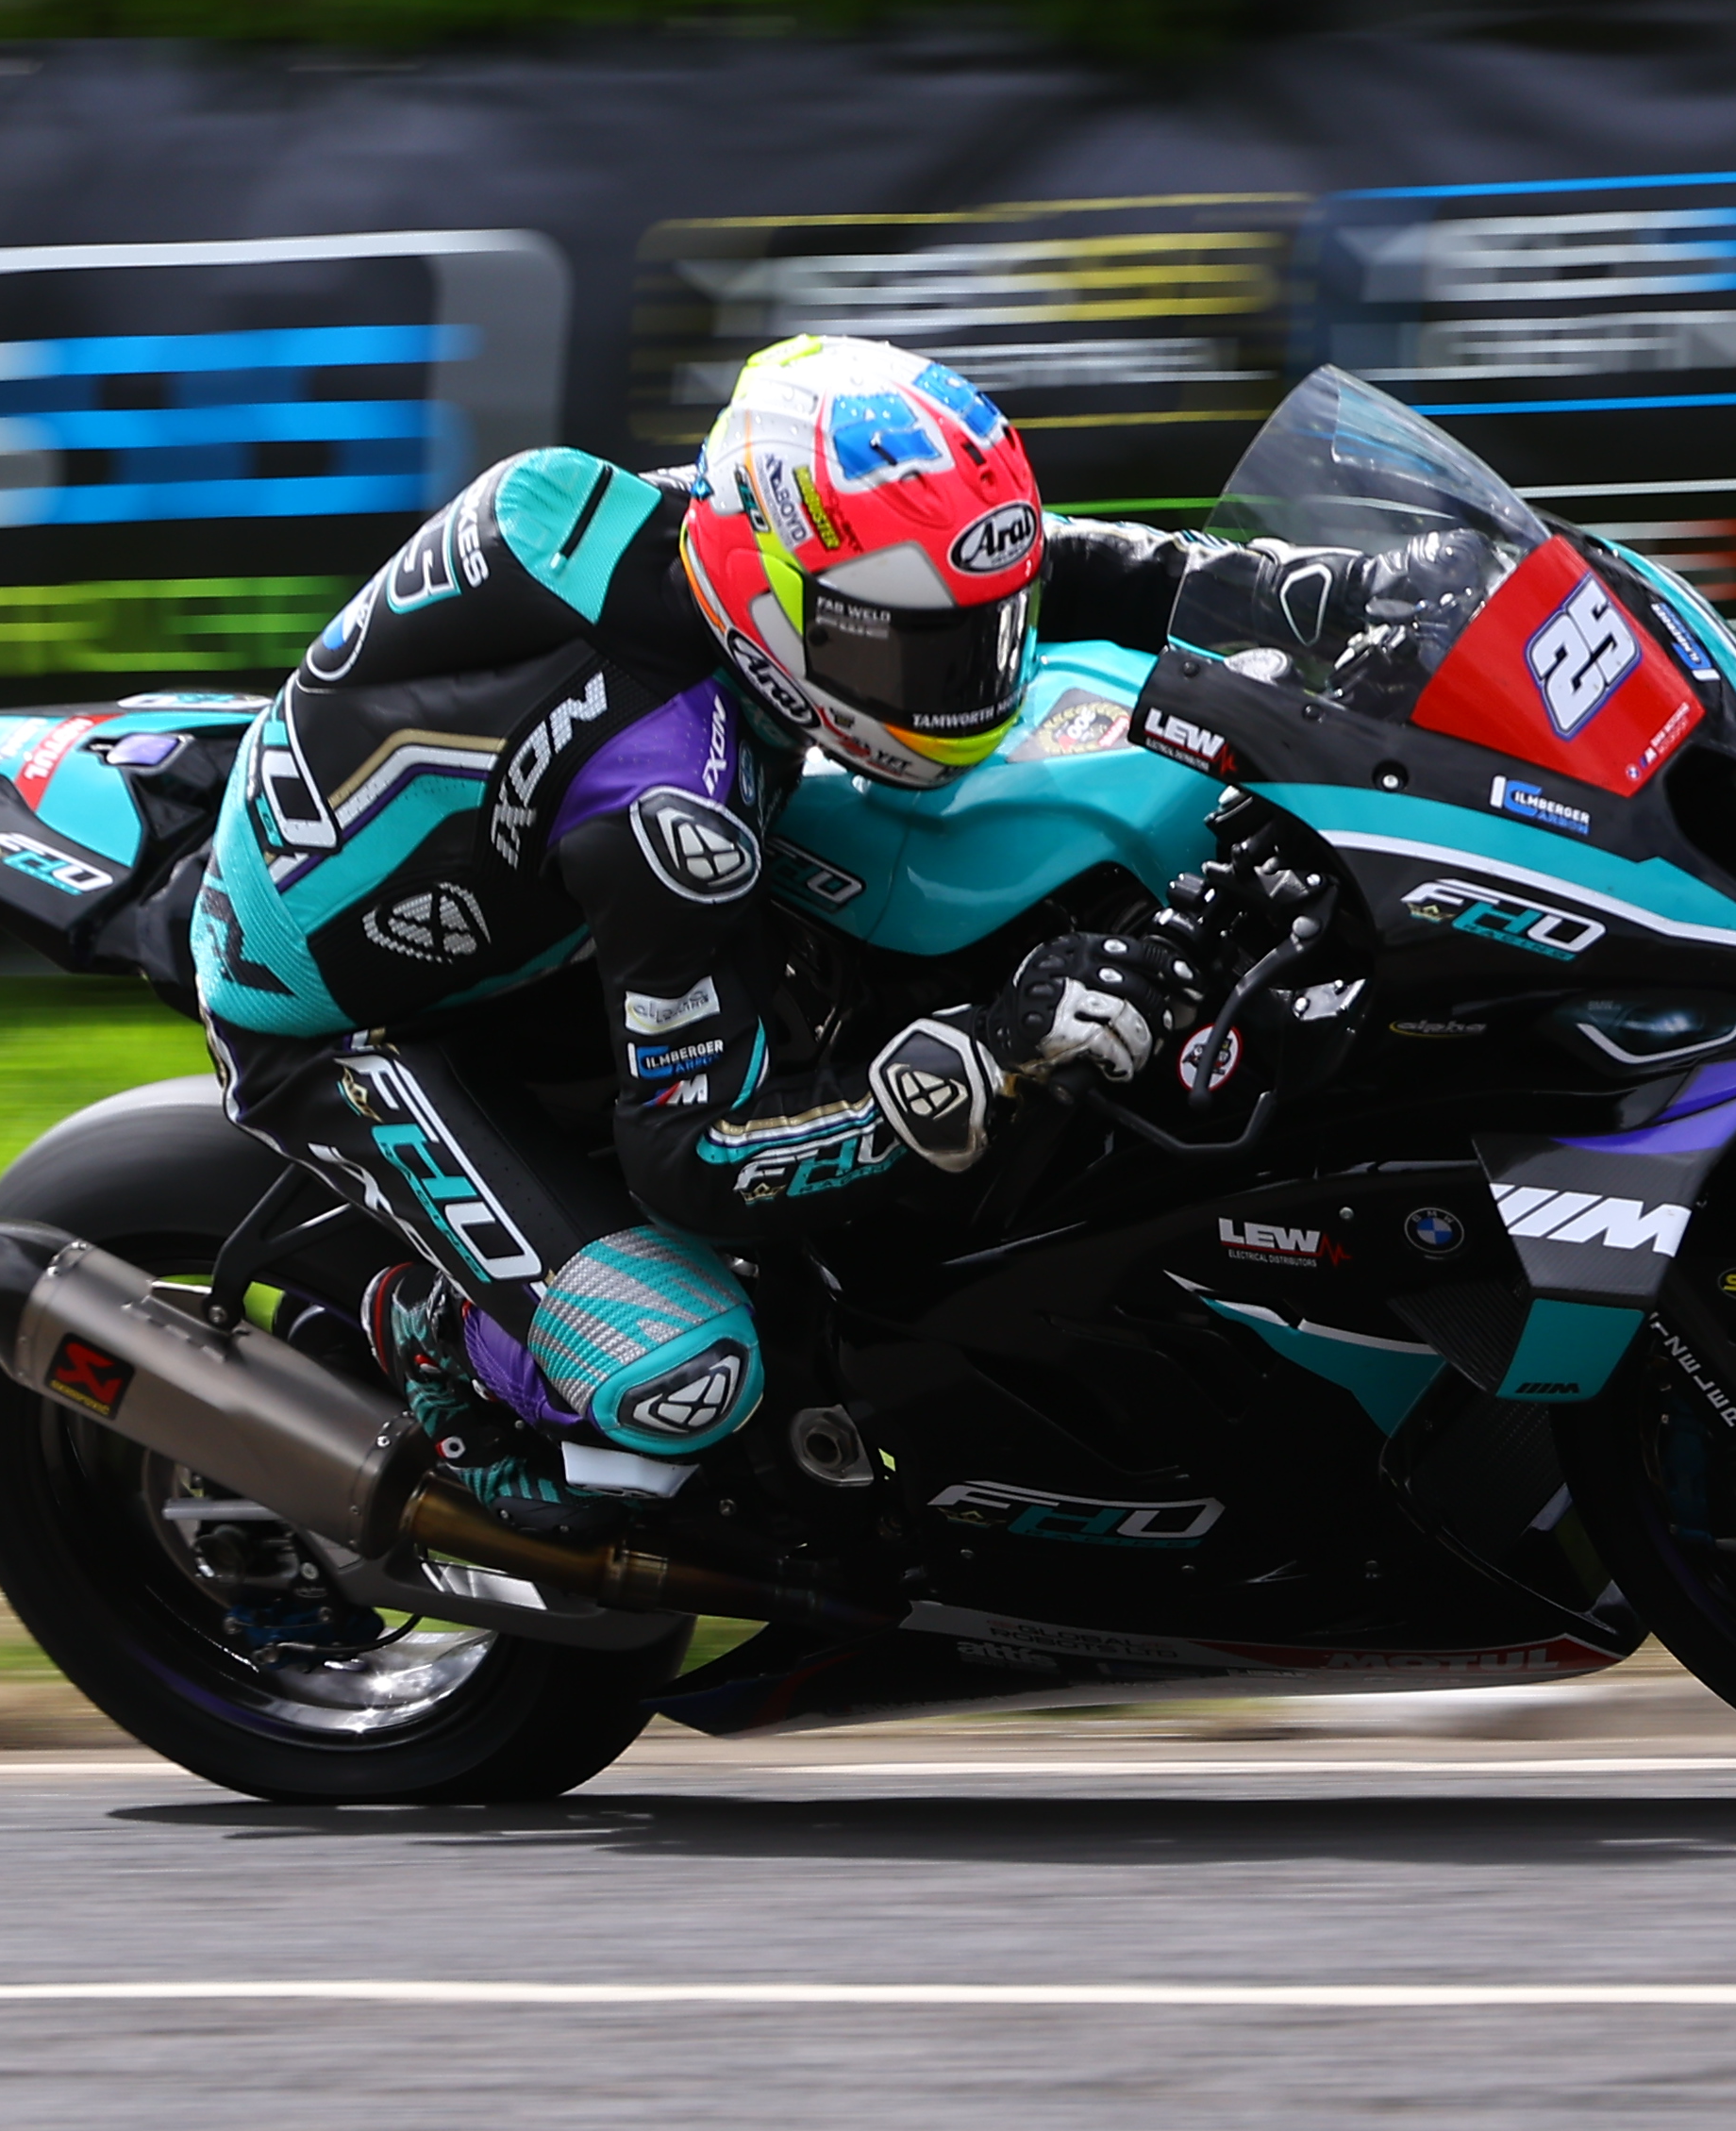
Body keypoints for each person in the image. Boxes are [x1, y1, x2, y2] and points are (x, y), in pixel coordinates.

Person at [186, 331, 1235, 1534]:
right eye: (906, 647)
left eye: (978, 632)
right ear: (769, 599)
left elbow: (1033, 563)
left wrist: (1282, 586)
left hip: (506, 891)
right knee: (683, 1381)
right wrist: (990, 1059)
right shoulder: (668, 803)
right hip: (349, 1022)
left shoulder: (725, 526)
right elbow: (693, 1161)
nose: (965, 682)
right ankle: (427, 1334)